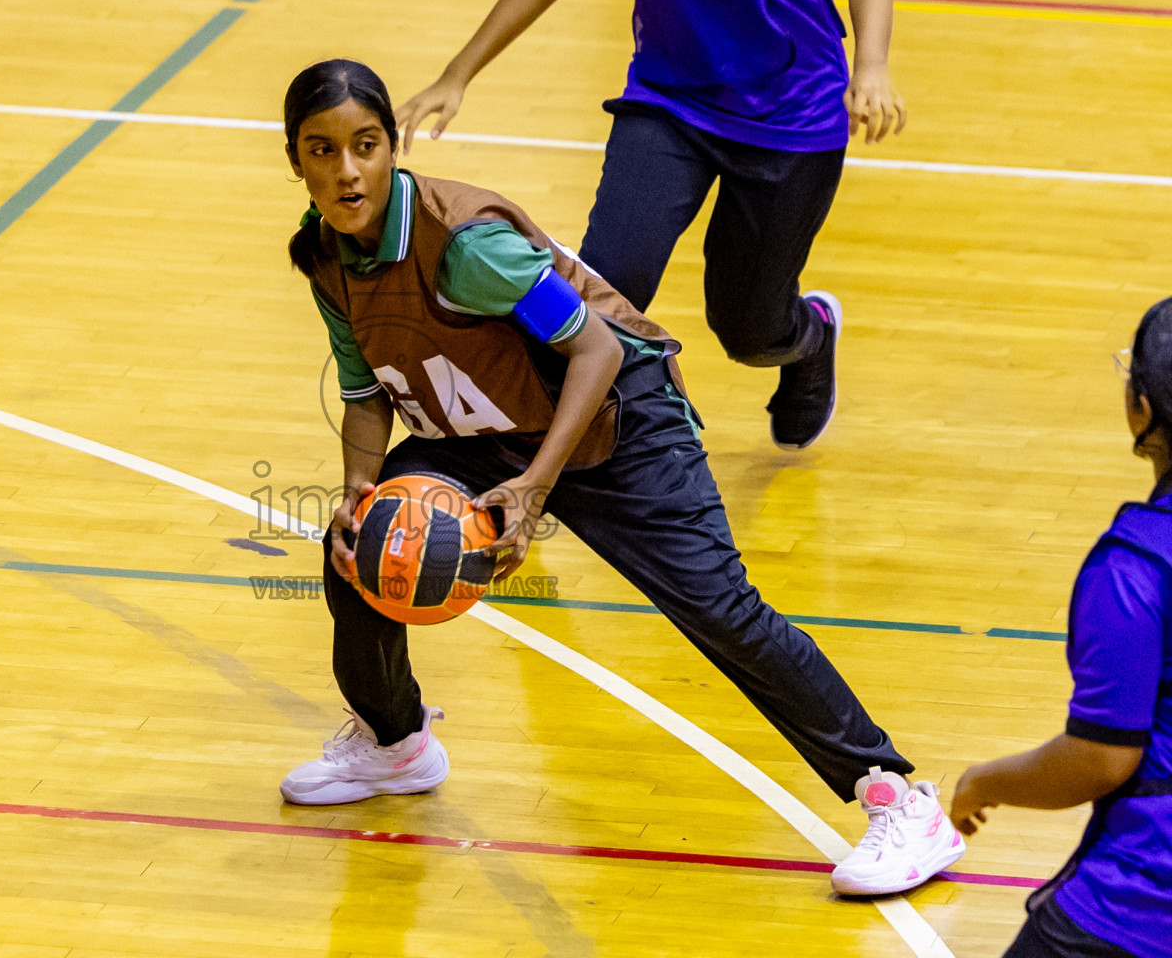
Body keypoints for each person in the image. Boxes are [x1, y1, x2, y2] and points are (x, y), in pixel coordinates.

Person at [277, 58, 963, 896]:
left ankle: (897, 798)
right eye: (323, 150)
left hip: (614, 417)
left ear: (392, 148)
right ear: (296, 161)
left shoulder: (467, 247)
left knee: (722, 613)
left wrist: (534, 487)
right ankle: (395, 743)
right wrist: (356, 483)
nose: (347, 170)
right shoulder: (326, 257)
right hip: (487, 426)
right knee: (358, 546)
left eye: (366, 145)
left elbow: (596, 349)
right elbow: (363, 389)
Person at [397, 0, 906, 450]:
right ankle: (549, 447)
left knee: (748, 330)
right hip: (668, 105)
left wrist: (872, 67)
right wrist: (454, 76)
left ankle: (811, 339)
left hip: (791, 117)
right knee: (606, 288)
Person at [950, 298, 1172, 958]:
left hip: (1136, 908)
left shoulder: (1133, 570)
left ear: (1141, 409)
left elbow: (1101, 757)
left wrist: (986, 781)